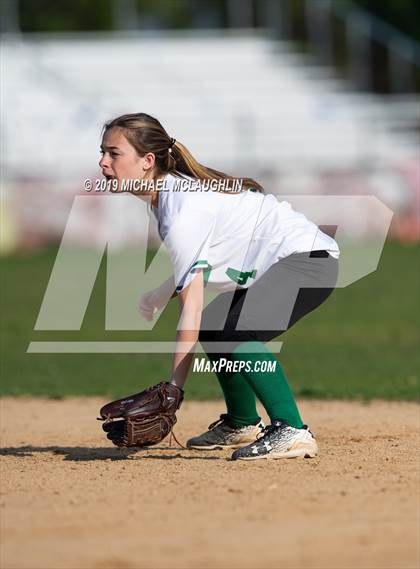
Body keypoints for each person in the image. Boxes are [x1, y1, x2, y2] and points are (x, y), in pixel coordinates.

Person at [99, 112, 340, 461]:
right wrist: (160, 292)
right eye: (103, 152)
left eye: (113, 153)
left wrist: (174, 390)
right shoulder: (170, 198)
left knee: (236, 332)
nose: (103, 162)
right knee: (217, 328)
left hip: (307, 262)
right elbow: (197, 263)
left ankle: (292, 430)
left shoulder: (180, 210)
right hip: (297, 260)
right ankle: (242, 422)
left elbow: (191, 310)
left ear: (147, 161)